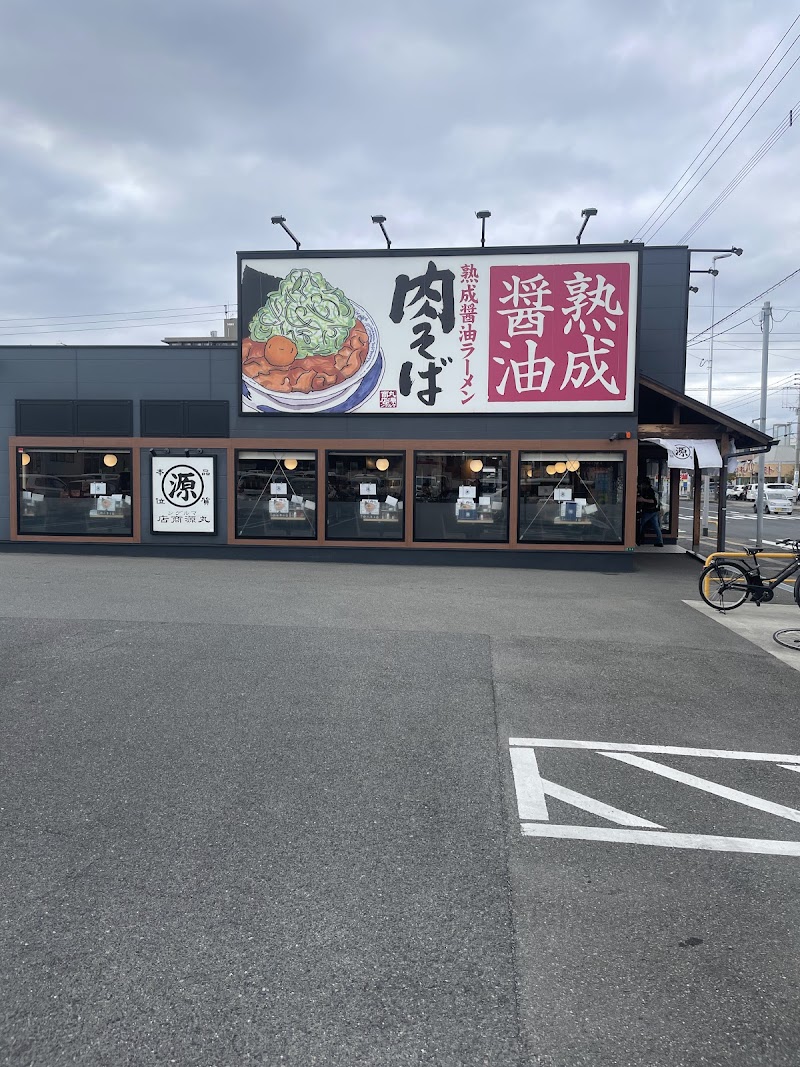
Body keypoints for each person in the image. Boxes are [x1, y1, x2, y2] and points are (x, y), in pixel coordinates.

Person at [637, 476, 664, 546]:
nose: (641, 486)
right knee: (656, 526)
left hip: (649, 511)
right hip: (654, 511)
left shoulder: (649, 491)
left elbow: (653, 501)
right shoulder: (649, 490)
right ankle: (660, 541)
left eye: (642, 484)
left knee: (640, 524)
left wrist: (643, 500)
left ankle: (638, 539)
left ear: (646, 484)